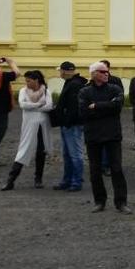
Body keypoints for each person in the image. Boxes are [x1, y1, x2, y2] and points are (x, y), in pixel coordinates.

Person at [79, 61, 130, 214]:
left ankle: (121, 202)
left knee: (116, 169)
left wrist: (96, 106)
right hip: (93, 135)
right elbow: (84, 112)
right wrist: (107, 106)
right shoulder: (84, 92)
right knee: (95, 171)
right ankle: (99, 201)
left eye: (107, 71)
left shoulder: (114, 89)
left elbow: (117, 106)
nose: (106, 74)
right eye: (102, 71)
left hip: (112, 135)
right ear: (94, 74)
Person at [1, 70, 53, 191]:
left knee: (41, 151)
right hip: (29, 125)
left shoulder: (46, 91)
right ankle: (11, 180)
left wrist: (34, 106)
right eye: (26, 81)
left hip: (42, 125)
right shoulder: (23, 91)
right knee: (23, 150)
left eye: (29, 81)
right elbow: (23, 105)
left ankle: (38, 179)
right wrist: (39, 105)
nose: (27, 83)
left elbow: (49, 106)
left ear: (36, 80)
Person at [54, 61, 86, 192]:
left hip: (72, 124)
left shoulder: (74, 85)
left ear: (65, 71)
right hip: (69, 123)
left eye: (60, 70)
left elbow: (73, 106)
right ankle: (68, 180)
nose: (60, 73)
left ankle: (75, 181)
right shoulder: (74, 83)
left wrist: (67, 120)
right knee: (68, 154)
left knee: (74, 154)